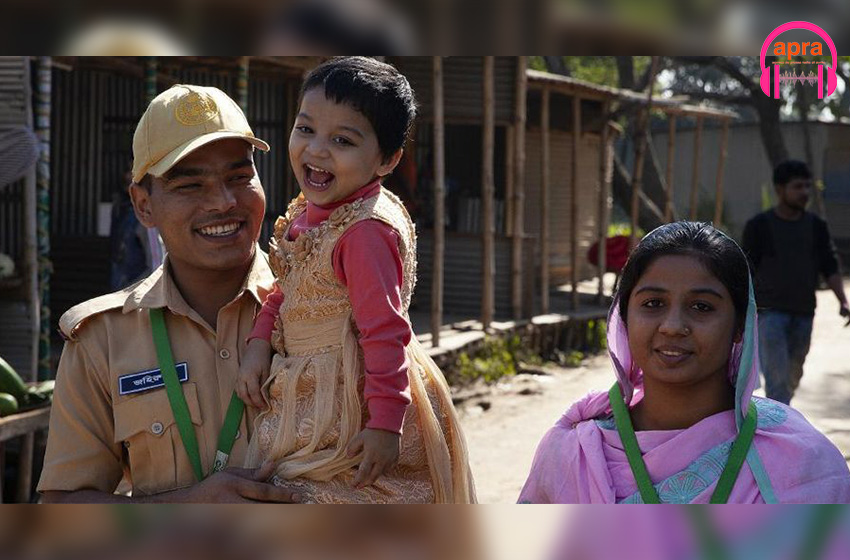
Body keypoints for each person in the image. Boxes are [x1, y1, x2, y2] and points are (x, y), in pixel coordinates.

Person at [38, 84, 301, 503]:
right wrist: (183, 511)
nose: (222, 202)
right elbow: (61, 511)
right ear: (143, 205)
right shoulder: (102, 340)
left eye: (239, 176)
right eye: (190, 186)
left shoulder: (324, 308)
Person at [236, 57, 475, 503]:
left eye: (343, 140)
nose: (317, 151)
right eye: (305, 129)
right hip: (308, 394)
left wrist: (385, 424)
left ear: (387, 160)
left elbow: (385, 331)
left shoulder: (364, 232)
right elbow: (287, 286)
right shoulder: (309, 214)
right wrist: (258, 342)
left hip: (354, 405)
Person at [518, 221, 850, 504]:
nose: (673, 326)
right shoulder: (573, 455)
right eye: (653, 303)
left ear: (739, 327)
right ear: (624, 318)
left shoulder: (801, 461)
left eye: (702, 307)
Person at [743, 160, 850, 405]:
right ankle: (778, 423)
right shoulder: (759, 226)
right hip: (770, 314)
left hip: (804, 313)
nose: (804, 193)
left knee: (793, 374)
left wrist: (843, 301)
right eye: (798, 187)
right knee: (778, 379)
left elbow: (829, 265)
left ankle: (780, 411)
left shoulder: (816, 227)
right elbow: (745, 270)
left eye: (807, 187)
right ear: (780, 190)